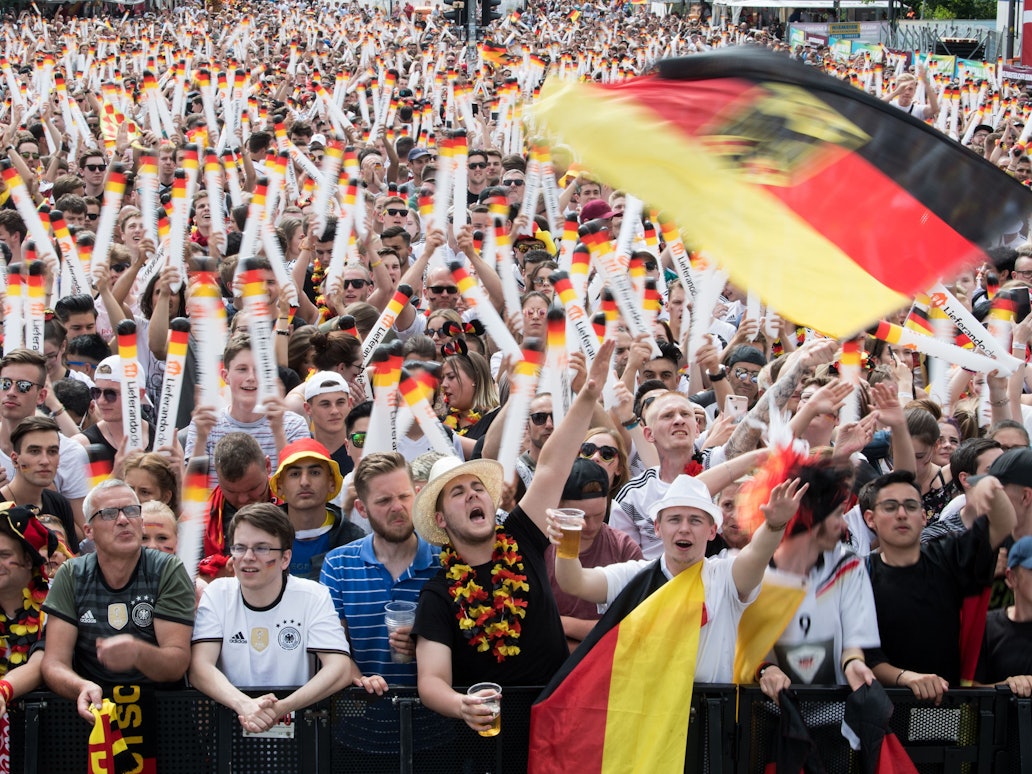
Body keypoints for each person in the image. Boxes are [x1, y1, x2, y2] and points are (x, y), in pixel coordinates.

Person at [411, 339, 613, 734]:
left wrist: (587, 395)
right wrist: (460, 704)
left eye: (477, 488)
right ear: (441, 519)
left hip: (556, 725)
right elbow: (431, 680)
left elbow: (553, 465)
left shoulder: (520, 535)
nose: (472, 495)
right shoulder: (438, 593)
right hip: (489, 739)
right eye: (458, 492)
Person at [190, 502, 383, 733]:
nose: (248, 557)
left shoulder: (313, 595)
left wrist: (282, 708)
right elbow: (200, 667)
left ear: (285, 558)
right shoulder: (217, 592)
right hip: (232, 728)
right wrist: (245, 705)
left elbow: (339, 668)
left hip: (302, 732)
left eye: (262, 548)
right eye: (240, 547)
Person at [41, 480, 195, 722]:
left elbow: (177, 663)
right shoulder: (72, 573)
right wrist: (80, 686)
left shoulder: (167, 568)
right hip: (92, 713)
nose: (123, 519)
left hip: (163, 714)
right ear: (88, 530)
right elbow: (53, 663)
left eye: (132, 510)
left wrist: (137, 653)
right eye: (109, 513)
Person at [861, 468, 1015, 704]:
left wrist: (991, 486)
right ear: (870, 518)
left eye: (911, 506)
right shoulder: (859, 574)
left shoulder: (948, 555)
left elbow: (1003, 525)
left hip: (945, 706)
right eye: (890, 507)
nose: (902, 514)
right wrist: (906, 677)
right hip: (883, 711)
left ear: (923, 517)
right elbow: (861, 654)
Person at [756, 457, 880, 698]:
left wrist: (854, 663)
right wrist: (766, 668)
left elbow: (853, 642)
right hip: (770, 719)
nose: (843, 526)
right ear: (812, 519)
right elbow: (745, 642)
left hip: (836, 720)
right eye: (837, 515)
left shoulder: (849, 565)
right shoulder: (754, 572)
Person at [186, 333, 311, 490]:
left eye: (259, 370)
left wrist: (278, 431)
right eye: (242, 369)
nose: (251, 377)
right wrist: (201, 440)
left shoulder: (293, 424)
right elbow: (192, 491)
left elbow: (299, 488)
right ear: (225, 376)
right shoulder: (206, 423)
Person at [544, 458, 643, 651]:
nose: (590, 526)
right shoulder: (542, 549)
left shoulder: (624, 548)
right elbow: (536, 625)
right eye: (581, 517)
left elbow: (633, 624)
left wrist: (564, 624)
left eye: (598, 515)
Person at [0, 349, 90, 535]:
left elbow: (83, 535)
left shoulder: (69, 452)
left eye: (23, 386)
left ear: (41, 396)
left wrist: (45, 493)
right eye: (5, 384)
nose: (11, 392)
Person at [268, 438, 364, 579]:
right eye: (295, 474)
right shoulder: (262, 540)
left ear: (331, 482)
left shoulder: (355, 542)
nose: (305, 482)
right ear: (280, 485)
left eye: (315, 473)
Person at [0, 417, 77, 543]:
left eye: (52, 451)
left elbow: (72, 560)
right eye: (35, 451)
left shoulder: (59, 503)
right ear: (15, 460)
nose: (45, 461)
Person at [975, 536, 1032, 695]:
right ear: (1012, 577)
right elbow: (969, 688)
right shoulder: (986, 626)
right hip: (1002, 719)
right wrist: (1006, 686)